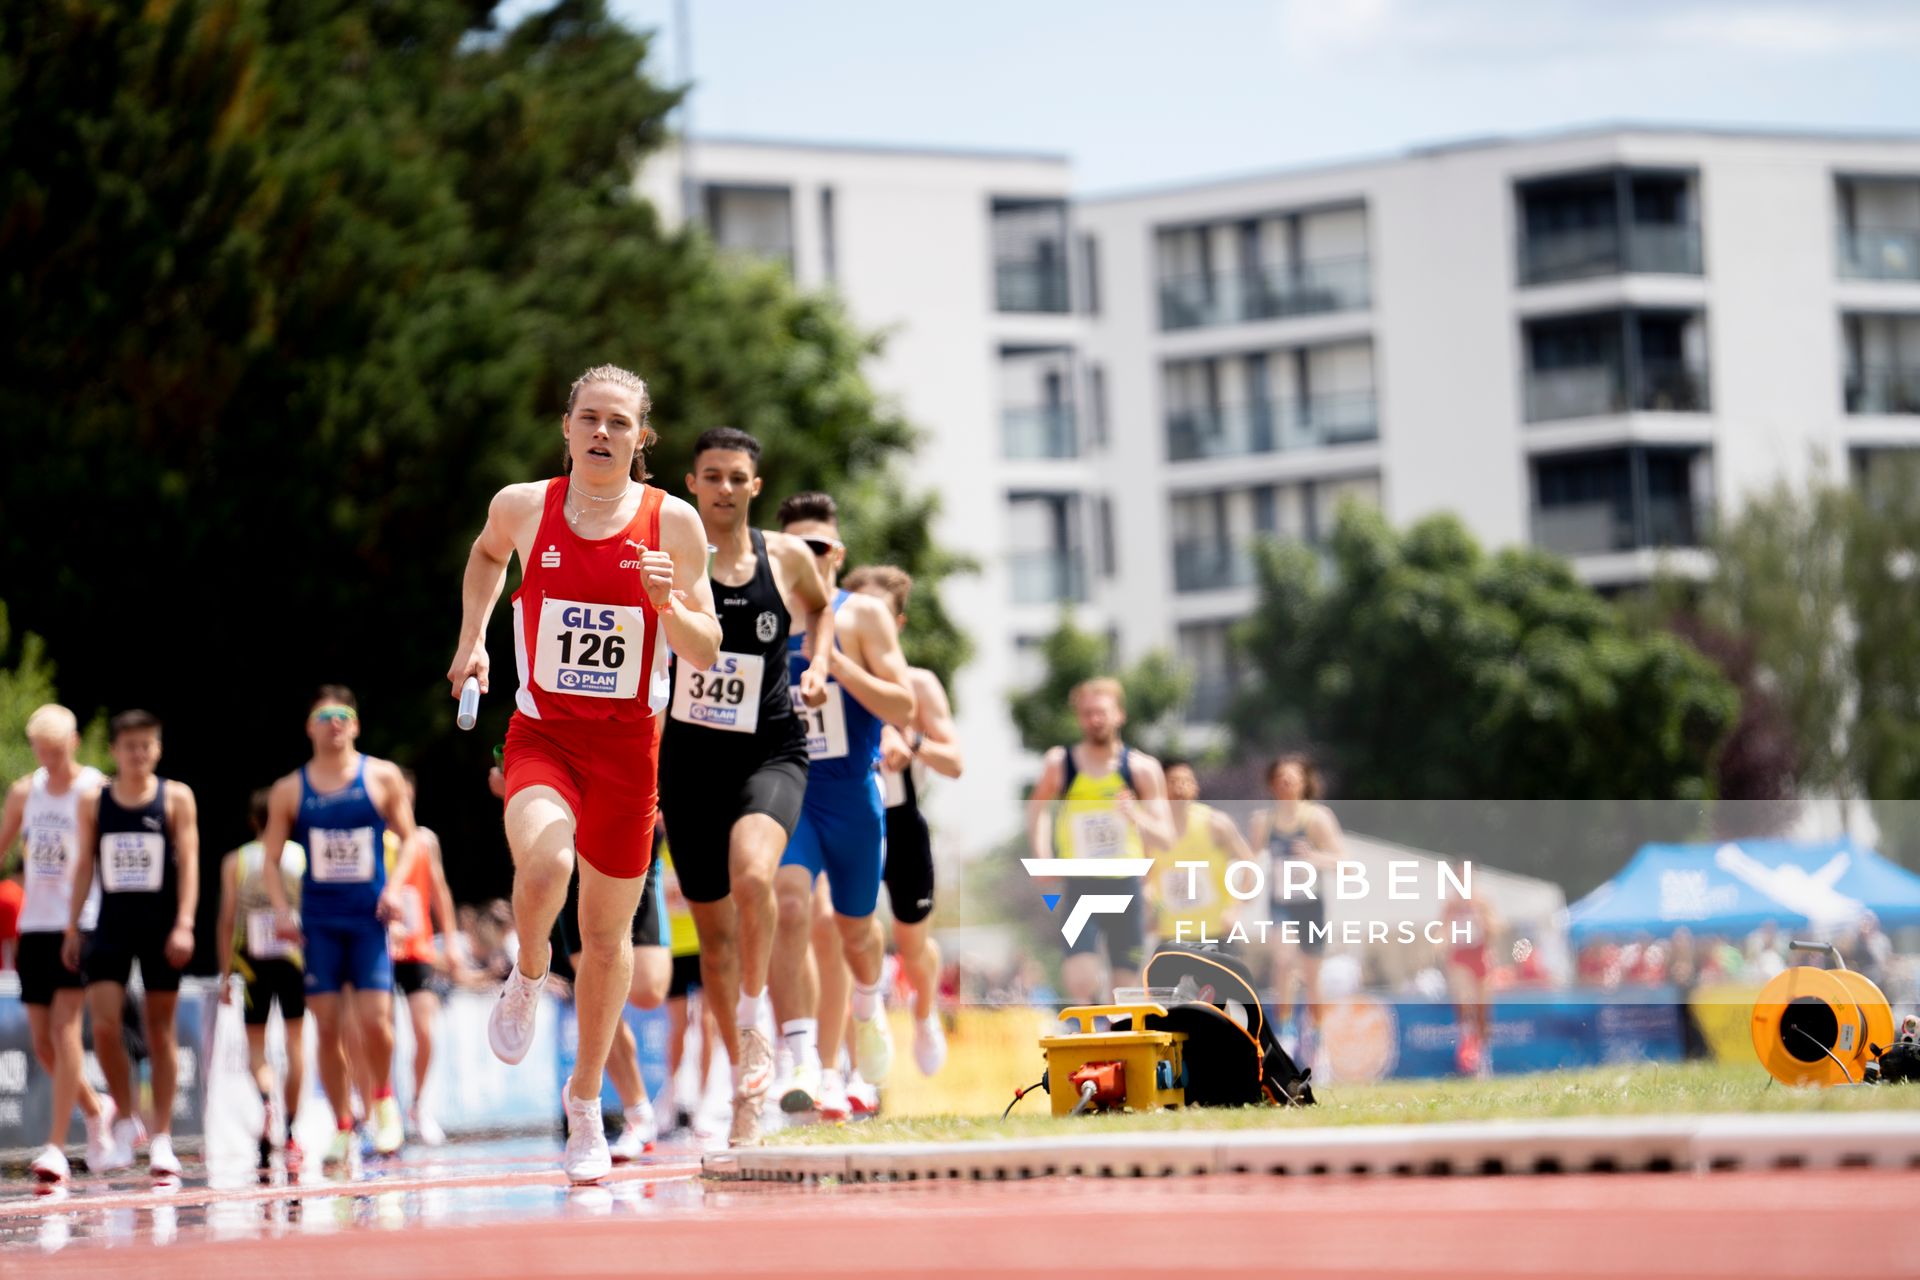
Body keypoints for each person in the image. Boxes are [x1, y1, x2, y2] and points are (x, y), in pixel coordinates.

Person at [447, 363, 720, 1181]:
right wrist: (474, 638)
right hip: (543, 735)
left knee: (606, 944)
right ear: (566, 427)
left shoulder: (671, 523)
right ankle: (527, 975)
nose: (603, 433)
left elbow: (707, 650)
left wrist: (671, 604)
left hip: (630, 753)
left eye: (620, 423)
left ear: (643, 439)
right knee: (546, 861)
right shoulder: (523, 507)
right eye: (589, 419)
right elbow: (487, 556)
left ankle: (585, 1104)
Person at [658, 428, 831, 1146]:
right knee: (716, 938)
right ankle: (743, 1086)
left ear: (755, 487)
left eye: (737, 477)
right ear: (691, 484)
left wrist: (816, 665)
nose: (724, 489)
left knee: (755, 874)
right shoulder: (666, 556)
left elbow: (820, 607)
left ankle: (764, 1029)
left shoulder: (786, 557)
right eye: (712, 476)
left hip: (771, 747)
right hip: (691, 762)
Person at [768, 493, 916, 1125]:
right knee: (790, 904)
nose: (811, 559)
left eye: (820, 548)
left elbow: (903, 707)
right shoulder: (764, 616)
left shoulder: (866, 619)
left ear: (839, 553)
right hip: (787, 788)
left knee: (856, 931)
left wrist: (835, 665)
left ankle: (867, 999)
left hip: (852, 795)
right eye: (796, 549)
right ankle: (800, 1056)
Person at [258, 685, 422, 1170]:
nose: (335, 723)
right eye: (325, 716)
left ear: (355, 725)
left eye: (344, 715)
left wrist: (393, 888)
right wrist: (282, 910)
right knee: (326, 1028)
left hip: (369, 919)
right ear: (310, 727)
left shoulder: (382, 776)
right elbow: (270, 860)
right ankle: (342, 1123)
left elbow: (410, 840)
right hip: (321, 924)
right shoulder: (291, 788)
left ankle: (384, 1098)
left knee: (376, 1020)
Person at [62, 709, 200, 1179]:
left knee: (161, 1033)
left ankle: (161, 1137)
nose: (138, 754)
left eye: (146, 745)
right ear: (115, 751)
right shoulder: (93, 802)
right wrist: (71, 925)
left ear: (157, 749)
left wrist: (184, 922)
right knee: (103, 1028)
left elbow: (191, 862)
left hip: (161, 925)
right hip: (111, 923)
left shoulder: (176, 797)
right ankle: (126, 1117)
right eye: (129, 746)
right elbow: (84, 865)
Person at [843, 564, 965, 1077]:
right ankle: (861, 1040)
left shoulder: (917, 685)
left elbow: (955, 762)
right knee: (851, 930)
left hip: (901, 820)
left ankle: (924, 1012)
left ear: (898, 623)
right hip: (847, 816)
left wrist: (908, 742)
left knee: (913, 944)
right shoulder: (829, 672)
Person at [1, 705, 118, 1182]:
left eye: (56, 751)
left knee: (67, 1032)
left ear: (72, 742)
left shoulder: (95, 789)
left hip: (80, 923)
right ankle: (96, 1109)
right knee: (44, 1043)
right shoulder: (25, 792)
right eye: (40, 753)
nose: (48, 761)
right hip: (35, 924)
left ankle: (54, 1146)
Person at [1024, 679, 1175, 1006]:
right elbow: (1037, 809)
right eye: (1087, 713)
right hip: (1081, 885)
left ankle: (1116, 1044)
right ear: (1080, 718)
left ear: (1119, 715)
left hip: (1126, 886)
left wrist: (1135, 815)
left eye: (1102, 712)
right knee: (1080, 981)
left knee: (1125, 995)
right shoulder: (1060, 764)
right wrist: (1042, 856)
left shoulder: (1142, 769)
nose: (1095, 719)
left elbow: (1165, 837)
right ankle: (1087, 1043)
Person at [215, 789, 310, 1170]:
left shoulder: (235, 860)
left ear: (253, 821)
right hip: (295, 958)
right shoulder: (301, 856)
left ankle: (267, 1098)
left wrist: (225, 974)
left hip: (251, 961)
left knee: (256, 1046)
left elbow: (226, 920)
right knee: (296, 1043)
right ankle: (289, 1130)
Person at [1249, 754, 1344, 1061]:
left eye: (1292, 777)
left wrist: (1314, 858)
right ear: (1272, 783)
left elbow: (1345, 862)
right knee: (1283, 960)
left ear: (1305, 782)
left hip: (1311, 904)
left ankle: (1317, 1040)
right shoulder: (1264, 821)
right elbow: (1250, 860)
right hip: (1281, 903)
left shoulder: (1316, 818)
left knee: (1311, 977)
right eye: (1280, 778)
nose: (1286, 783)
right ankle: (1287, 1033)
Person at [386, 769, 463, 1146]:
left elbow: (440, 890)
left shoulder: (423, 839)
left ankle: (418, 1104)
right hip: (380, 947)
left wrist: (449, 941)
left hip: (417, 947)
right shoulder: (372, 836)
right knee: (381, 1033)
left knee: (424, 1028)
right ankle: (380, 1109)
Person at [1153, 760, 1254, 951]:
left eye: (1186, 781)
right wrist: (1149, 910)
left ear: (1196, 787)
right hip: (1170, 933)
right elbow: (1143, 878)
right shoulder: (1152, 829)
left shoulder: (1215, 823)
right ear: (1161, 787)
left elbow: (1249, 865)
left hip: (1216, 931)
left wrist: (1234, 910)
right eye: (1173, 781)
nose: (1180, 787)